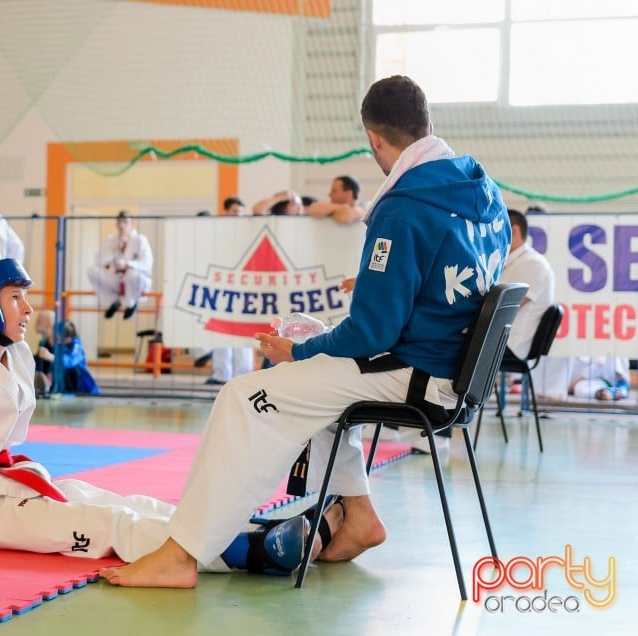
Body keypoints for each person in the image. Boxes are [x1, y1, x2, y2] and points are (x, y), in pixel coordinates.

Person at [99, 75, 511, 588]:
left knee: (242, 396)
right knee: (320, 393)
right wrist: (380, 281)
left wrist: (299, 349)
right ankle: (357, 515)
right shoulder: (484, 192)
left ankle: (181, 556)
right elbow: (457, 277)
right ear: (428, 123)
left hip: (416, 374)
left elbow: (370, 334)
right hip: (453, 374)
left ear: (375, 140)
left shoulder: (404, 205)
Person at [0, 254, 340, 580]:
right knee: (102, 525)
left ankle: (251, 525)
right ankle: (249, 555)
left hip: (14, 483)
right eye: (14, 297)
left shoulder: (14, 358)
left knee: (121, 500)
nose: (29, 309)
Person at [206, 197, 255, 385]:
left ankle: (243, 375)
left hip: (243, 287)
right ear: (225, 212)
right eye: (235, 212)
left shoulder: (248, 234)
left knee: (243, 332)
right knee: (221, 329)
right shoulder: (217, 234)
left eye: (241, 212)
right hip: (222, 285)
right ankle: (221, 374)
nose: (238, 216)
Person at [499, 210, 555, 360]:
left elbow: (504, 309)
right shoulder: (514, 261)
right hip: (503, 339)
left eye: (497, 229)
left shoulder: (532, 263)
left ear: (514, 230)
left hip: (512, 344)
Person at [87, 210, 153, 319]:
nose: (122, 226)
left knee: (132, 275)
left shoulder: (140, 240)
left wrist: (127, 264)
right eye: (120, 223)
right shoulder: (111, 240)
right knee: (92, 271)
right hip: (118, 279)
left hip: (136, 281)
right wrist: (114, 252)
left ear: (132, 224)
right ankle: (113, 303)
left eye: (126, 223)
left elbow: (147, 263)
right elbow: (98, 260)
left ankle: (131, 305)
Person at [34, 309, 99, 396]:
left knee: (72, 369)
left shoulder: (76, 346)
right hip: (69, 391)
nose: (51, 340)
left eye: (55, 338)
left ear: (67, 339)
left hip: (85, 391)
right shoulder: (51, 345)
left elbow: (70, 362)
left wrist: (51, 357)